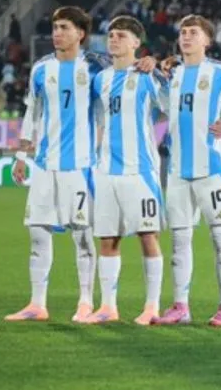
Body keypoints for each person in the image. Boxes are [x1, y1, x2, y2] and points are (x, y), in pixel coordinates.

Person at [6, 7, 107, 323]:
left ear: (80, 33)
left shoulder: (95, 68)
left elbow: (106, 113)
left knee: (82, 235)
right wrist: (21, 156)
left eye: (64, 28)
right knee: (37, 232)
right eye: (55, 27)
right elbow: (32, 114)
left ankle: (85, 302)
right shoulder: (41, 68)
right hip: (44, 165)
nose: (57, 33)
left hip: (80, 166)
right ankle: (37, 304)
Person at [153, 15, 221, 327]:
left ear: (208, 40)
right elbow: (163, 107)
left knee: (220, 236)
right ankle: (181, 307)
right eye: (183, 32)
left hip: (212, 169)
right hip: (177, 170)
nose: (186, 37)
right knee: (179, 240)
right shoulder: (171, 74)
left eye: (193, 32)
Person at [82, 16, 167, 326]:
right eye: (111, 35)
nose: (113, 39)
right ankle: (108, 306)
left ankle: (152, 306)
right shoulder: (100, 80)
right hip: (106, 170)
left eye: (120, 35)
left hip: (140, 171)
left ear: (135, 43)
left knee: (147, 235)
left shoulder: (147, 77)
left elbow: (174, 105)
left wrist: (157, 67)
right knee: (108, 239)